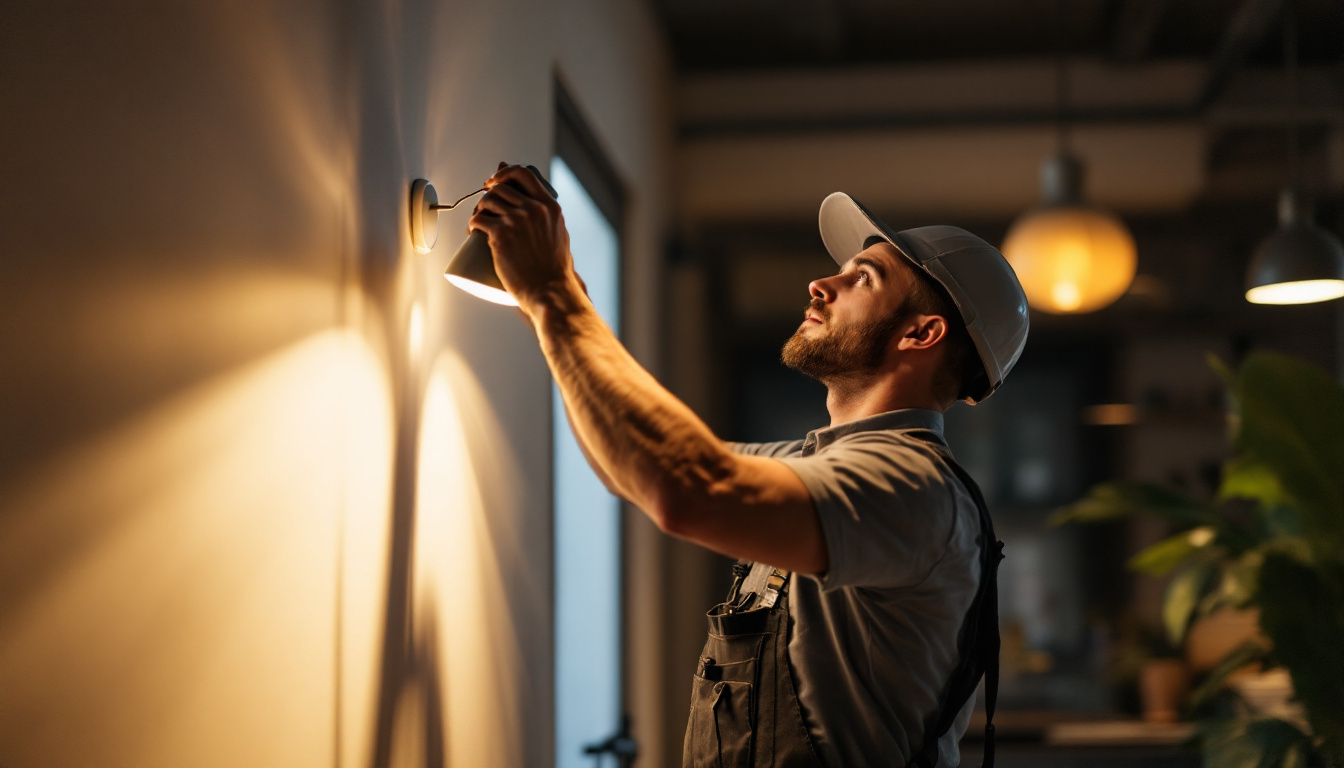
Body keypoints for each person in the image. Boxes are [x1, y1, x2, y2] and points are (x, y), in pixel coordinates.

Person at [469, 164, 1030, 768]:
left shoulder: (910, 484)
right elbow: (634, 466)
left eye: (861, 278)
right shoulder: (817, 463)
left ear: (921, 333)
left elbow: (683, 488)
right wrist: (553, 299)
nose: (821, 284)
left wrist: (552, 294)